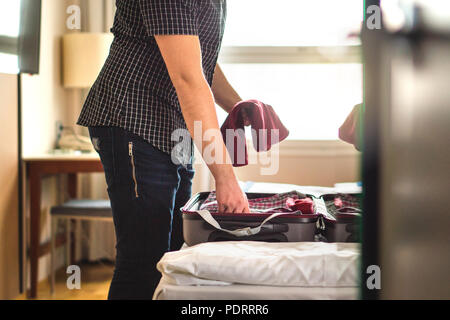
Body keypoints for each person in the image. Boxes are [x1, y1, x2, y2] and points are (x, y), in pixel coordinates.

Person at [77, 0, 250, 299]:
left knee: (170, 256)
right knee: (143, 261)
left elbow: (199, 58)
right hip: (132, 119)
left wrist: (239, 107)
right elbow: (187, 78)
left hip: (172, 128)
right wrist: (225, 177)